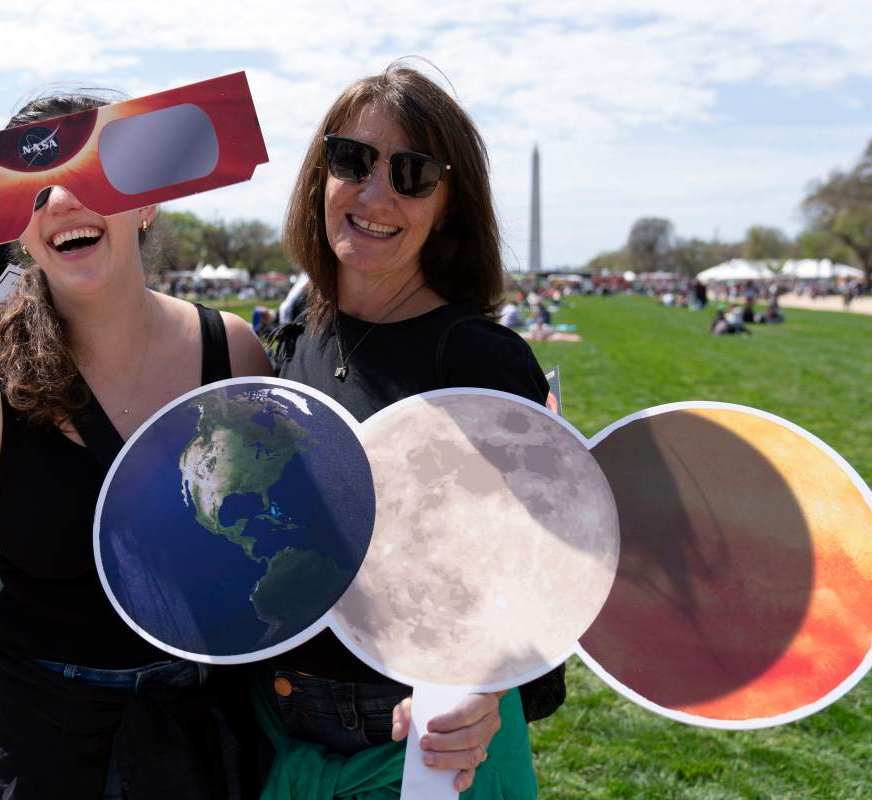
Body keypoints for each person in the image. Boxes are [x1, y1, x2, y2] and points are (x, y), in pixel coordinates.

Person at [0, 92, 273, 799]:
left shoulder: (237, 352)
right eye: (32, 190)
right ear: (17, 227)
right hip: (37, 743)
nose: (62, 198)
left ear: (148, 201)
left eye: (94, 172)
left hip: (204, 735)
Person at [265, 64, 562, 798]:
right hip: (281, 737)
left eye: (412, 174)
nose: (375, 194)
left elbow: (551, 571)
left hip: (427, 750)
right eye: (352, 160)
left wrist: (487, 689)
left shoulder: (482, 360)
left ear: (448, 205)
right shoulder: (300, 339)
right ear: (320, 175)